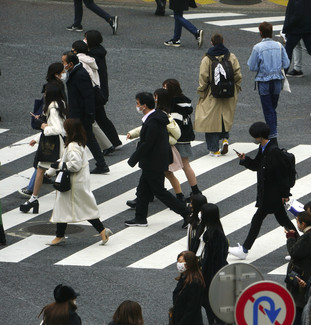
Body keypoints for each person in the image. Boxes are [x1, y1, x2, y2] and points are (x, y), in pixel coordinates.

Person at [228, 122, 296, 260]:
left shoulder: (273, 151)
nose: (253, 139)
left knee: (258, 220)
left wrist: (285, 194)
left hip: (273, 194)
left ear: (259, 137)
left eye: (254, 136)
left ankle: (245, 249)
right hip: (268, 193)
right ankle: (299, 248)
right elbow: (257, 166)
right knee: (284, 221)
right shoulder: (264, 148)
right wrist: (245, 159)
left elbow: (282, 175)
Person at [125, 92, 188, 228]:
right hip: (154, 161)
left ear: (144, 105)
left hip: (154, 162)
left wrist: (133, 159)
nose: (136, 106)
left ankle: (187, 214)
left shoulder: (153, 122)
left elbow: (147, 143)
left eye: (138, 103)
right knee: (143, 190)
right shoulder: (156, 118)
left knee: (160, 192)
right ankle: (140, 218)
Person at [46, 118, 112, 246]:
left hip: (73, 184)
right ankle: (101, 231)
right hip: (78, 183)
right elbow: (66, 160)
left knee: (67, 208)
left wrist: (59, 166)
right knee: (71, 209)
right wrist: (52, 170)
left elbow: (74, 165)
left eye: (65, 128)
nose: (63, 130)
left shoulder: (72, 146)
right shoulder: (78, 143)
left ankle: (61, 236)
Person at [20, 84, 67, 214]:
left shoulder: (52, 109)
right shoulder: (61, 104)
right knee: (55, 169)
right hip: (59, 142)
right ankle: (56, 202)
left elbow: (56, 128)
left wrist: (43, 127)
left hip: (52, 143)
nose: (44, 94)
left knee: (43, 169)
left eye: (46, 92)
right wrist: (37, 138)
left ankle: (34, 199)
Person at [62, 51, 109, 174]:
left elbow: (88, 97)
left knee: (84, 138)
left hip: (81, 115)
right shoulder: (75, 72)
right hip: (79, 114)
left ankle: (100, 164)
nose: (63, 65)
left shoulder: (80, 75)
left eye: (64, 63)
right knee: (86, 138)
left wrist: (89, 115)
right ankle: (100, 163)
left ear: (71, 64)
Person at [196, 33, 242, 156]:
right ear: (223, 41)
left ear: (212, 43)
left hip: (213, 92)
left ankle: (214, 149)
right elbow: (237, 74)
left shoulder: (207, 59)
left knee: (211, 121)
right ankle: (225, 138)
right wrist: (235, 87)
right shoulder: (230, 56)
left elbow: (203, 77)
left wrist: (202, 91)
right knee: (225, 117)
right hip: (229, 92)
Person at [248, 22, 289, 143]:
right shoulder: (279, 46)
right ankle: (270, 133)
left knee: (268, 109)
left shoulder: (257, 48)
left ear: (260, 32)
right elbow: (286, 63)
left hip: (264, 81)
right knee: (272, 108)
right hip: (277, 81)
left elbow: (252, 66)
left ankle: (271, 135)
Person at [85, 30, 123, 152]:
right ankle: (115, 141)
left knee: (96, 118)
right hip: (100, 91)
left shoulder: (93, 57)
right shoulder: (98, 52)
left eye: (85, 38)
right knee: (101, 117)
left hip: (96, 92)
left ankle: (108, 144)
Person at [164, 78, 202, 197]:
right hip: (185, 137)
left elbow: (173, 124)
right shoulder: (185, 103)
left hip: (174, 139)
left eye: (165, 88)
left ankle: (172, 192)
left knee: (163, 166)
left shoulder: (174, 105)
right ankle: (195, 190)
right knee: (186, 165)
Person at [197, 203, 228, 325]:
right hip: (206, 270)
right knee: (206, 300)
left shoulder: (216, 235)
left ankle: (217, 322)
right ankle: (215, 322)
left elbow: (217, 258)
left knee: (208, 299)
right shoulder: (206, 229)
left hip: (212, 273)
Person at [282, 0, 311, 77]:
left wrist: (287, 28)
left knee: (288, 50)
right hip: (308, 27)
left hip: (296, 29)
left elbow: (296, 14)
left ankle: (283, 74)